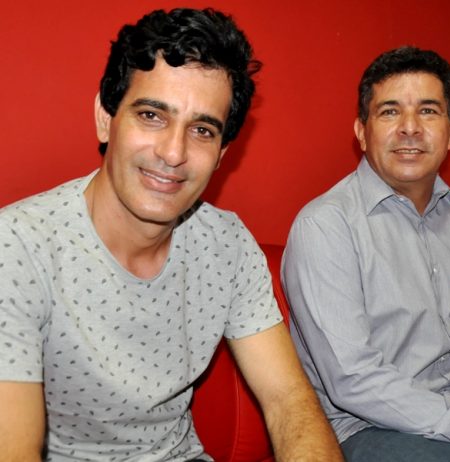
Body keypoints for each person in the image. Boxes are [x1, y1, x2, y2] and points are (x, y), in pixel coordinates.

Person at [0, 8, 343, 462]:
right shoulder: (17, 246)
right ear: (105, 118)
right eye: (151, 115)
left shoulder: (228, 246)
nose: (174, 152)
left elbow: (289, 400)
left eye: (201, 130)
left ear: (221, 154)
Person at [282, 46, 450, 462]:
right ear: (362, 131)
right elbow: (354, 380)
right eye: (390, 112)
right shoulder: (325, 226)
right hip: (370, 424)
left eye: (428, 111)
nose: (410, 128)